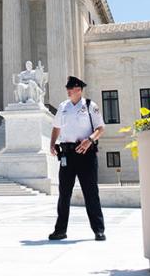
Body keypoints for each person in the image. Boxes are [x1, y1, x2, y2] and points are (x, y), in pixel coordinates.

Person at [48, 76, 106, 242]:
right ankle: (60, 230)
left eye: (71, 88)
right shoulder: (63, 106)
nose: (68, 90)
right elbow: (56, 127)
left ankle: (99, 230)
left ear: (79, 90)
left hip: (85, 153)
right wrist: (52, 144)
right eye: (67, 88)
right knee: (64, 194)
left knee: (91, 193)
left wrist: (90, 140)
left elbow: (101, 128)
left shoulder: (89, 106)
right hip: (67, 154)